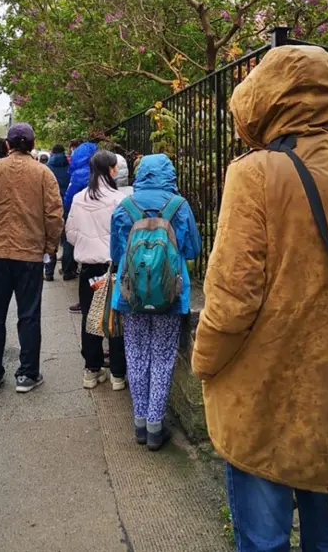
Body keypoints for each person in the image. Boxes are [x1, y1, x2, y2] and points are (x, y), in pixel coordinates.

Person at [191, 45, 328, 551]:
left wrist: (204, 363)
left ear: (265, 100)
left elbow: (231, 300)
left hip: (261, 402)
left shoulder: (254, 173)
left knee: (264, 542)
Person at [110, 154, 201, 451]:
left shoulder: (125, 206)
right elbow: (192, 250)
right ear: (169, 174)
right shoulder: (179, 206)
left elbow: (116, 253)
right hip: (170, 294)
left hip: (131, 296)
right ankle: (154, 426)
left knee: (135, 354)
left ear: (141, 173)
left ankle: (138, 422)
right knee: (162, 356)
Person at [0, 122, 63, 394]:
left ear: (8, 145)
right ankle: (27, 375)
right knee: (29, 315)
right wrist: (49, 247)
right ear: (32, 146)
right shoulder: (44, 174)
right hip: (30, 255)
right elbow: (54, 216)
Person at [65, 150, 127, 390]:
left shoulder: (79, 198)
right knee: (116, 319)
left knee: (90, 318)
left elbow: (70, 233)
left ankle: (92, 370)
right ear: (111, 169)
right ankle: (118, 375)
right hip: (113, 268)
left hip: (89, 269)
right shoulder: (119, 200)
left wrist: (85, 244)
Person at [63, 141, 98, 311]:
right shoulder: (99, 172)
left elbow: (69, 199)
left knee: (87, 263)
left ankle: (85, 302)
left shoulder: (77, 175)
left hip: (83, 220)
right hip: (100, 221)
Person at [44, 144, 71, 281]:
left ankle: (49, 272)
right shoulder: (70, 168)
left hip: (52, 206)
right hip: (68, 205)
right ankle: (67, 271)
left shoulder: (47, 169)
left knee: (50, 239)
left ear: (52, 153)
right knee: (67, 240)